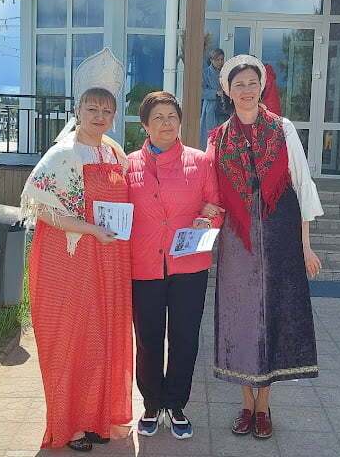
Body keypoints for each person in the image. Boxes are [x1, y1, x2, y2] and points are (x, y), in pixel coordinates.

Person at [206, 54, 324, 440]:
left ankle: (264, 406)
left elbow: (301, 185)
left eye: (252, 83)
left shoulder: (283, 129)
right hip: (237, 239)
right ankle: (245, 402)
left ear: (262, 87)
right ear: (228, 91)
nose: (246, 90)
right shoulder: (217, 138)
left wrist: (305, 246)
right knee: (239, 319)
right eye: (238, 84)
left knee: (274, 315)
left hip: (279, 235)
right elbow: (211, 192)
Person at [20, 48, 133, 452]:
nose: (99, 116)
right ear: (78, 110)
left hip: (106, 258)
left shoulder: (114, 151)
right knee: (71, 337)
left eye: (106, 110)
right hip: (68, 259)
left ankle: (97, 417)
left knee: (102, 337)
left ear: (114, 115)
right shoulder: (63, 153)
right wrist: (90, 229)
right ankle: (70, 426)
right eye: (92, 108)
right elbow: (44, 209)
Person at [126, 91, 224, 440]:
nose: (166, 123)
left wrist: (206, 219)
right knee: (148, 339)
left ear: (180, 121)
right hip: (144, 265)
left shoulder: (201, 162)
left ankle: (177, 405)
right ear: (145, 125)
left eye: (172, 116)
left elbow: (216, 207)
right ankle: (152, 404)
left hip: (189, 266)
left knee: (184, 339)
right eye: (158, 117)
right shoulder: (128, 165)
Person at [199, 48, 224, 149]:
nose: (220, 62)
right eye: (217, 60)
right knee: (209, 135)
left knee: (222, 134)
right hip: (210, 108)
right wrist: (215, 93)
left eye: (222, 59)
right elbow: (200, 92)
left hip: (224, 108)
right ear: (211, 60)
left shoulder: (225, 73)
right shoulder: (205, 73)